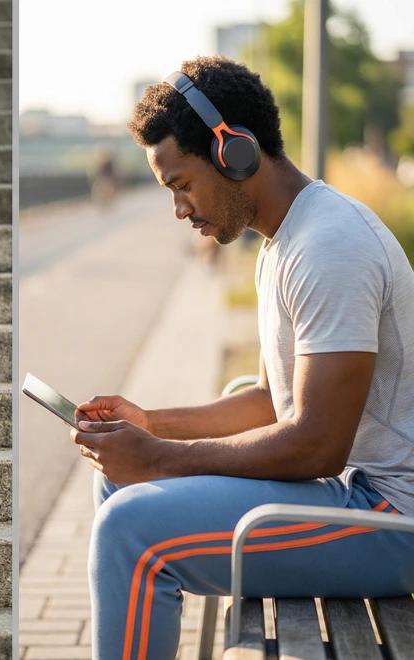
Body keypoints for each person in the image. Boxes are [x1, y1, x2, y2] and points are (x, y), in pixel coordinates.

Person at [74, 56, 414, 660]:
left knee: (132, 531)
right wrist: (150, 425)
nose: (180, 210)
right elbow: (269, 403)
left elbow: (317, 444)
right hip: (356, 494)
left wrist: (159, 457)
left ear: (235, 151)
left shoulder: (331, 246)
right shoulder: (283, 243)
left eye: (181, 185)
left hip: (391, 515)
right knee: (116, 487)